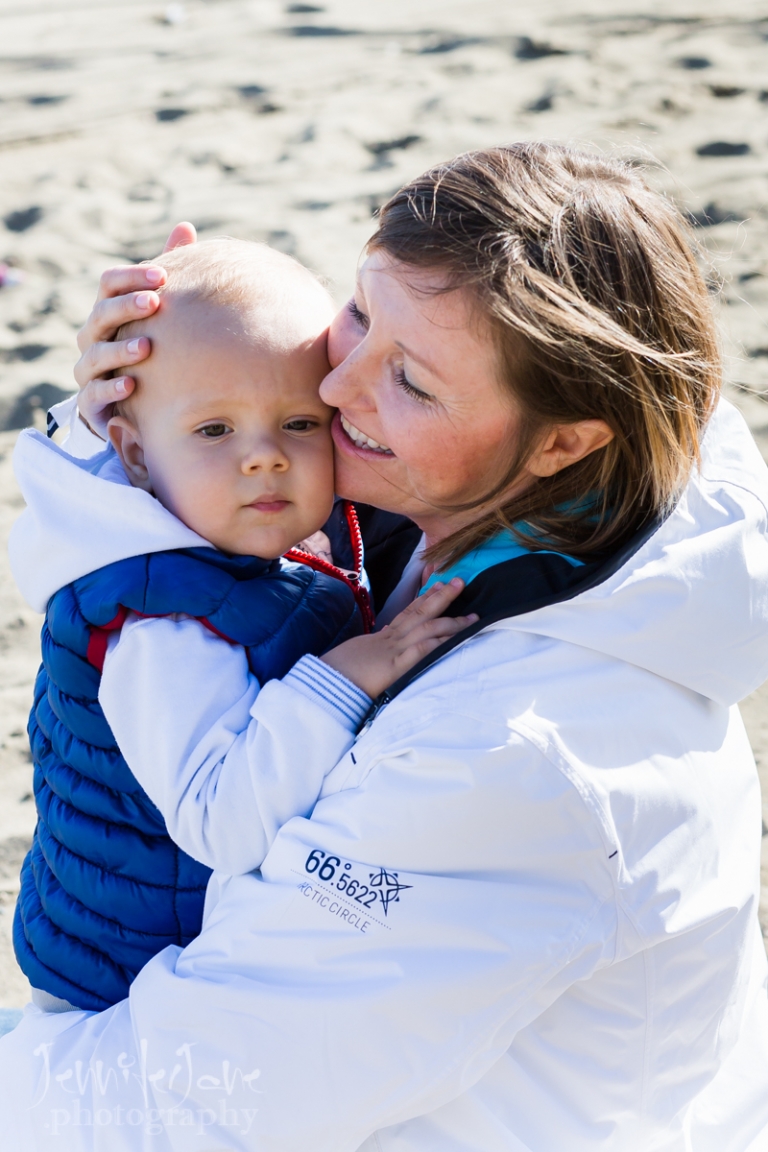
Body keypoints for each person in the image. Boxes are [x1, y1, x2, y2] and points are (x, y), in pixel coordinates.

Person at [1, 142, 768, 1151]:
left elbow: (191, 1103)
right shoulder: (565, 503)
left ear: (563, 440)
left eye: (409, 378)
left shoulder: (513, 760)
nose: (334, 384)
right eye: (360, 312)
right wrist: (136, 419)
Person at [8, 237, 472, 1015]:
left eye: (297, 422)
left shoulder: (256, 547)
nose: (264, 458)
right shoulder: (161, 623)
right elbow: (221, 820)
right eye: (215, 431)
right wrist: (349, 674)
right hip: (121, 986)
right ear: (135, 456)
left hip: (188, 940)